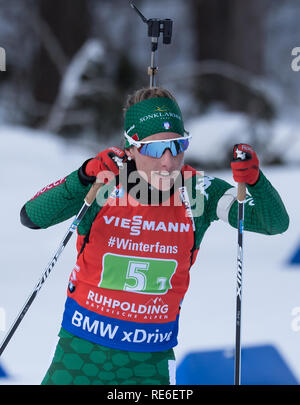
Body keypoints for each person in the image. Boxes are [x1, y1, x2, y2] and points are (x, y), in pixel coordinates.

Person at [20, 87, 289, 385]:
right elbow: (32, 216)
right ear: (131, 148)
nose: (167, 162)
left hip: (150, 362)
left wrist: (254, 180)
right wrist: (84, 175)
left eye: (177, 145)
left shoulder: (198, 191)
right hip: (82, 354)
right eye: (152, 149)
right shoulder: (104, 181)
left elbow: (273, 222)